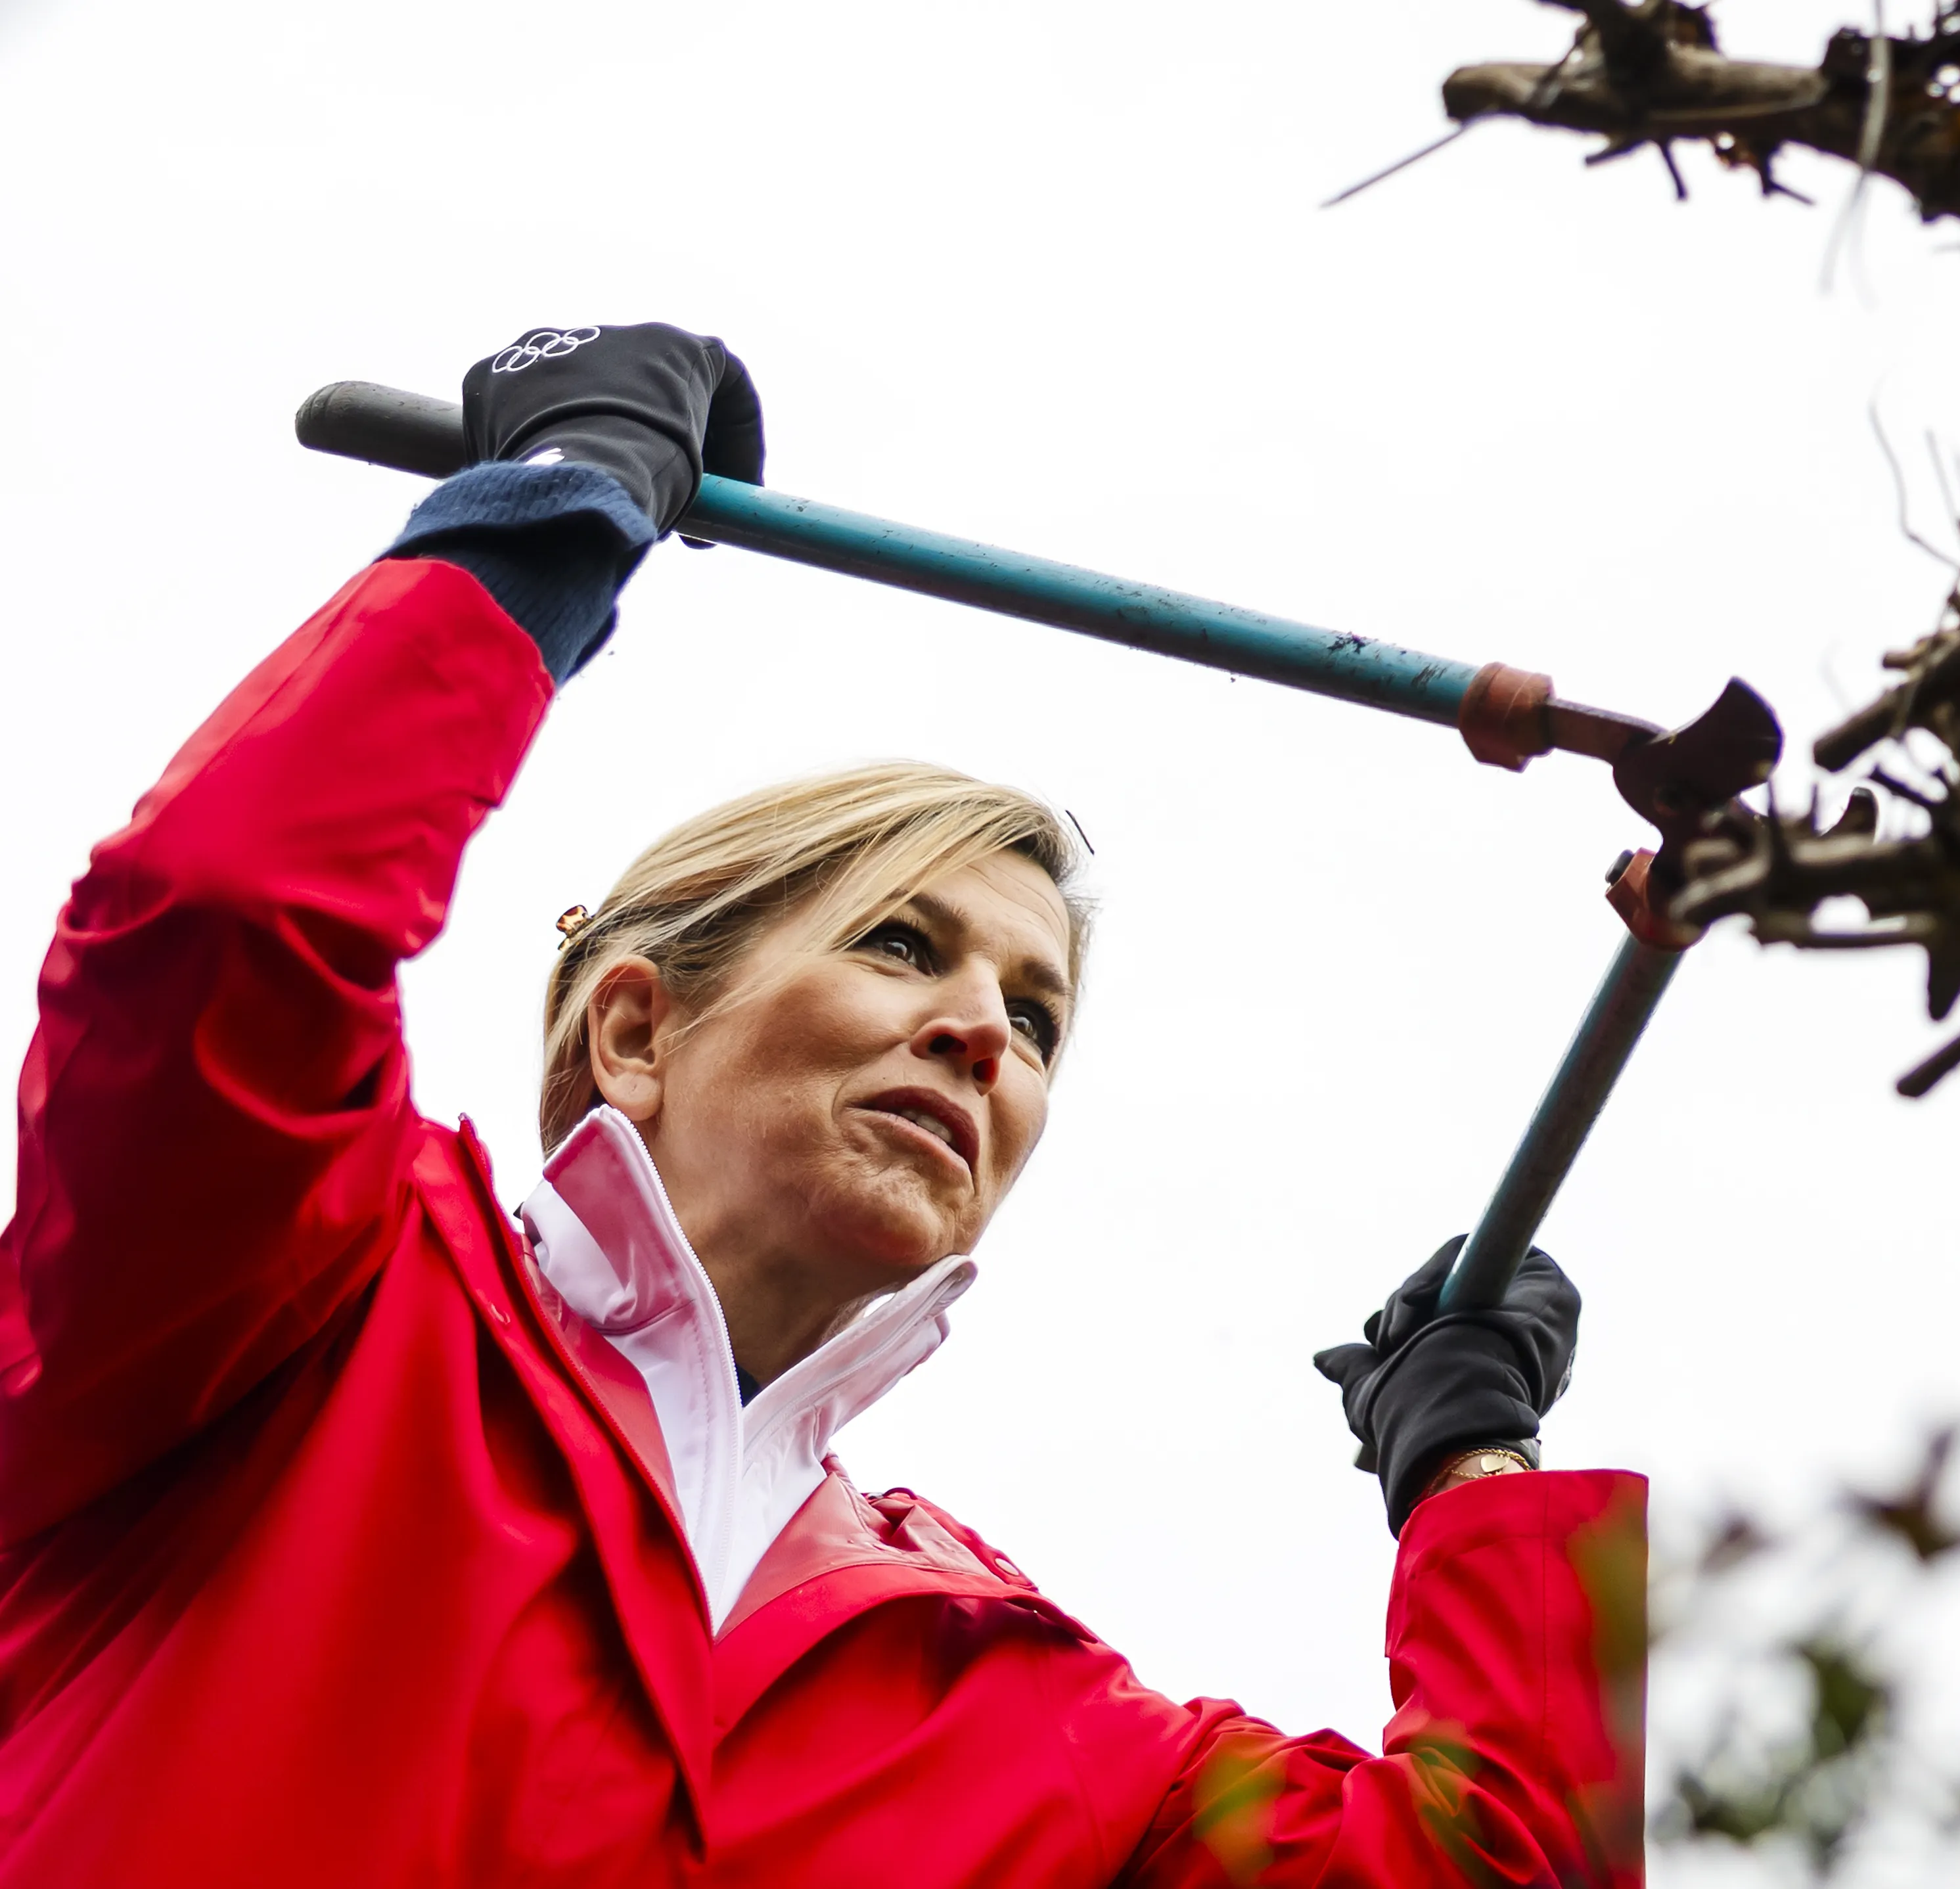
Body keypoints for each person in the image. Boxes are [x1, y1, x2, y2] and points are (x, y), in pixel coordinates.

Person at [0, 325, 1645, 1886]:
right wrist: (538, 525)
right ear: (637, 1027)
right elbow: (225, 915)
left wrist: (1473, 1462)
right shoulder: (306, 1301)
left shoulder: (1025, 1708)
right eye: (902, 945)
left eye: (1037, 1015)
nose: (983, 1034)